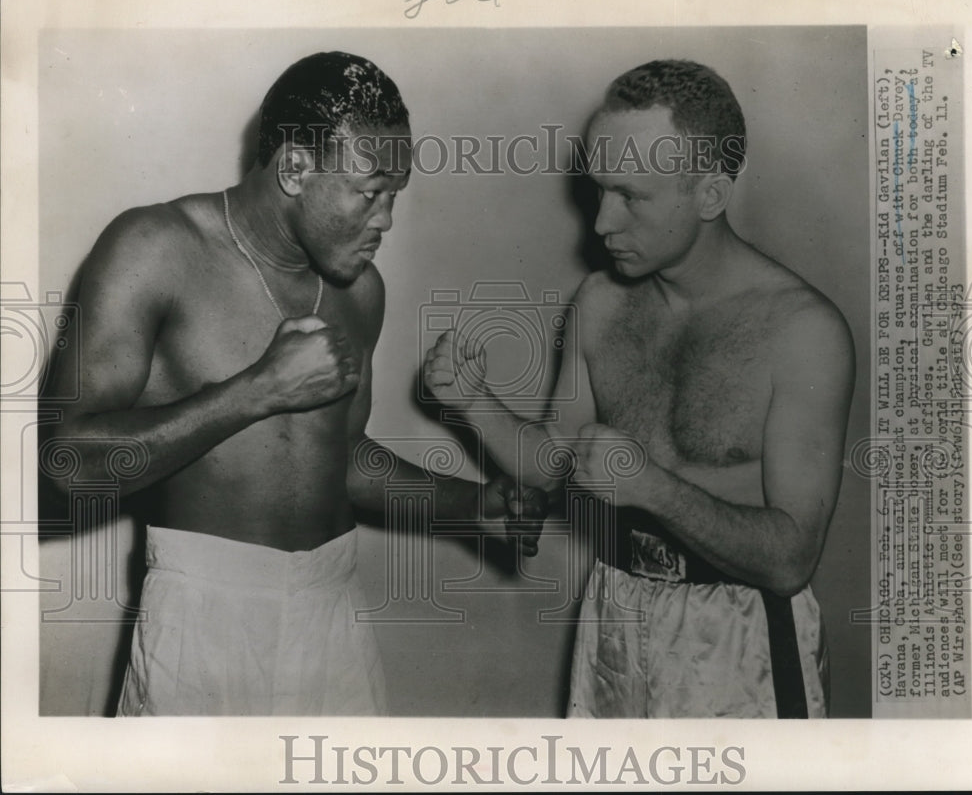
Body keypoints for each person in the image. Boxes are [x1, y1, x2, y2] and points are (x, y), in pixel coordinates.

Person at [43, 51, 544, 716]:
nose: (387, 219)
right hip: (203, 617)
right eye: (370, 192)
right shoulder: (154, 248)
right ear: (295, 168)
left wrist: (469, 504)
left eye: (395, 194)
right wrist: (256, 389)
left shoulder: (359, 291)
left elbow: (338, 458)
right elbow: (68, 463)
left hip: (333, 608)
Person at [423, 59, 855, 718]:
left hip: (742, 635)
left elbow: (791, 559)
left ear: (708, 195)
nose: (601, 223)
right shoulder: (600, 302)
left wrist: (655, 490)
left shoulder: (802, 331)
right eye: (600, 191)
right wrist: (471, 402)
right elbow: (551, 466)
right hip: (616, 610)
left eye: (631, 196)